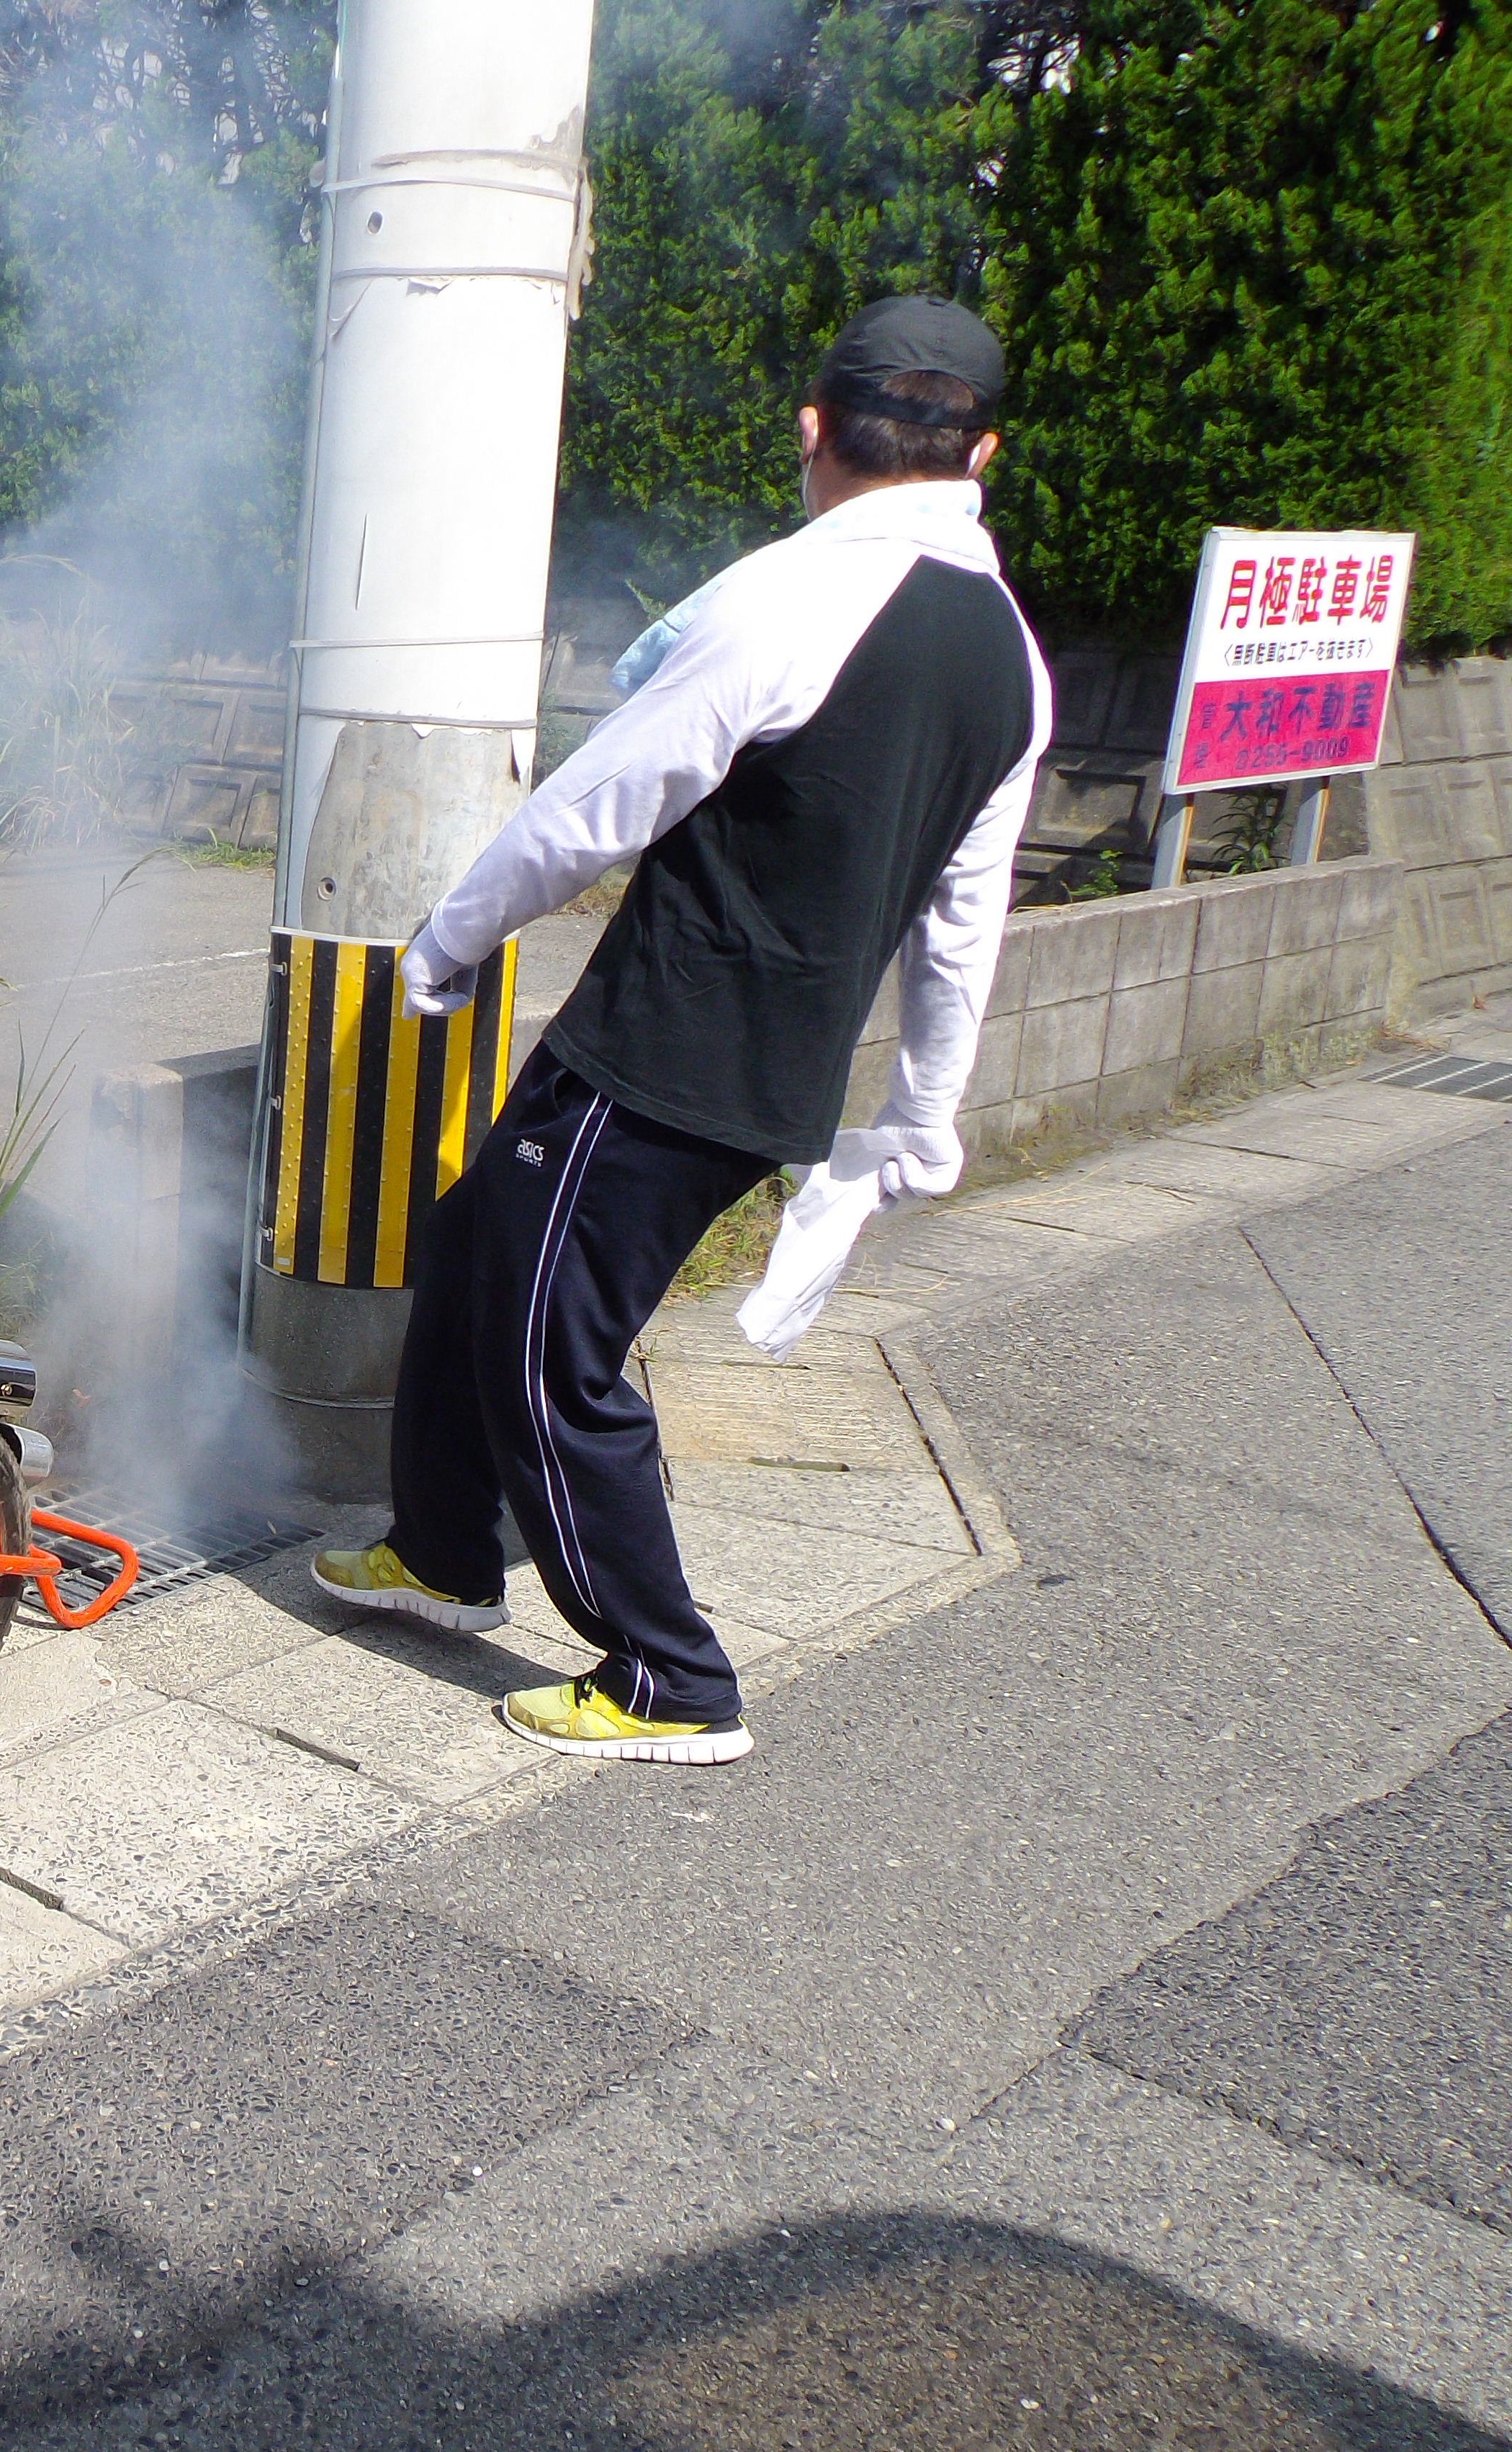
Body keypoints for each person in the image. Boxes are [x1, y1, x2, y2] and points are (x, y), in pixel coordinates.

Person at [312, 295, 1053, 1767]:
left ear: (814, 432)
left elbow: (606, 799)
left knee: (548, 1351)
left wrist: (452, 939)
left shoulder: (795, 596)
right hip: (752, 1064)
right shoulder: (1013, 663)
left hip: (665, 1051)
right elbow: (963, 920)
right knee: (476, 1250)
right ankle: (445, 1552)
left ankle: (670, 1674)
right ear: (982, 451)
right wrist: (923, 1110)